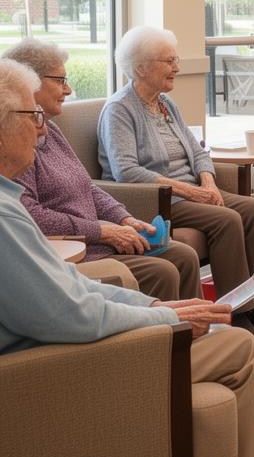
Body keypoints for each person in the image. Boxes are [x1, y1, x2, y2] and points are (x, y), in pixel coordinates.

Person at [0, 58, 254, 457]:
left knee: (218, 254)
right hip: (49, 372)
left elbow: (66, 291)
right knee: (234, 346)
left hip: (53, 348)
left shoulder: (6, 203)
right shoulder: (6, 218)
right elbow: (71, 316)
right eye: (31, 115)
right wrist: (165, 321)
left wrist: (154, 306)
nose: (40, 127)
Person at [98, 27, 254, 353]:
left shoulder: (165, 104)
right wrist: (190, 190)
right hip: (156, 201)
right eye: (168, 61)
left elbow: (198, 152)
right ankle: (237, 315)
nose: (177, 68)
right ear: (140, 67)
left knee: (253, 209)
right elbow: (126, 171)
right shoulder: (120, 110)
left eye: (176, 59)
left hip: (191, 191)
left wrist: (207, 180)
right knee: (226, 219)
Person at [3, 39, 200, 301]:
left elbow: (88, 187)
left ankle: (197, 329)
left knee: (184, 255)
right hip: (81, 250)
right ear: (30, 83)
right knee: (162, 271)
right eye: (60, 81)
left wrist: (123, 219)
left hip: (99, 240)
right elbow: (32, 215)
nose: (69, 89)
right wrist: (102, 231)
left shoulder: (53, 130)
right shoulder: (16, 146)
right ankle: (167, 335)